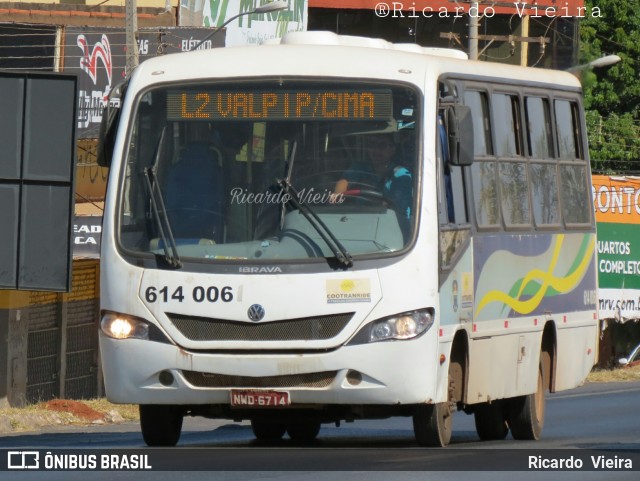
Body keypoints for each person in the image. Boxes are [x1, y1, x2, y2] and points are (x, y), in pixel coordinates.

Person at [332, 133, 413, 236]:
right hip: (358, 221)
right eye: (372, 145)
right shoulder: (360, 168)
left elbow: (395, 208)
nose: (376, 150)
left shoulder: (401, 175)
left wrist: (366, 192)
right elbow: (345, 180)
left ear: (392, 150)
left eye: (381, 146)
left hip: (393, 226)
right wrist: (337, 194)